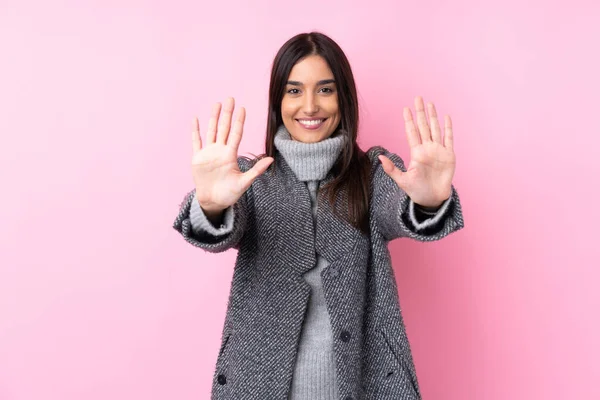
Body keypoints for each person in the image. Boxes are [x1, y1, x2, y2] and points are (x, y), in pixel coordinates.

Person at [173, 31, 464, 400]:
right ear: (277, 101)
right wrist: (212, 204)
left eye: (325, 90)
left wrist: (428, 201)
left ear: (344, 98)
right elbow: (220, 231)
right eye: (294, 91)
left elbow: (400, 211)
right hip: (256, 385)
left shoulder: (373, 174)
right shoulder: (252, 178)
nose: (309, 106)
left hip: (366, 385)